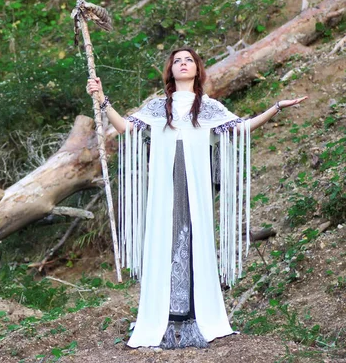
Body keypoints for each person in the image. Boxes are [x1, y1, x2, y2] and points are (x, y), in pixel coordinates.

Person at [86, 47, 307, 349]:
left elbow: (241, 128)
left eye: (188, 60)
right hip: (165, 191)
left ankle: (195, 318)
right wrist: (102, 100)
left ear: (197, 69)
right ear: (171, 71)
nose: (183, 63)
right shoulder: (156, 108)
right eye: (177, 61)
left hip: (195, 191)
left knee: (192, 242)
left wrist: (276, 107)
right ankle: (163, 320)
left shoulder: (209, 108)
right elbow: (126, 129)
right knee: (165, 242)